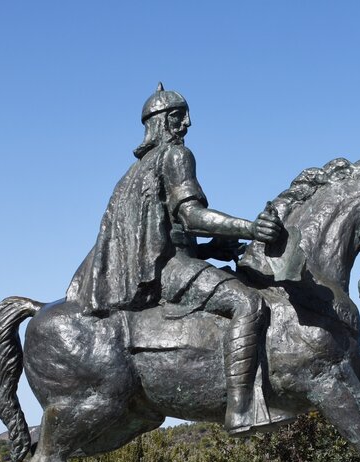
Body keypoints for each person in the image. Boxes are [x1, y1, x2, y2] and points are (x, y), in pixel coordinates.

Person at [67, 84, 282, 435]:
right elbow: (191, 216)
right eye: (181, 117)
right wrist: (250, 228)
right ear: (165, 121)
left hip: (167, 263)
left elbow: (163, 232)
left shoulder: (133, 172)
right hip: (170, 270)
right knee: (248, 303)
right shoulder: (176, 156)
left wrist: (211, 249)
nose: (188, 124)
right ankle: (242, 409)